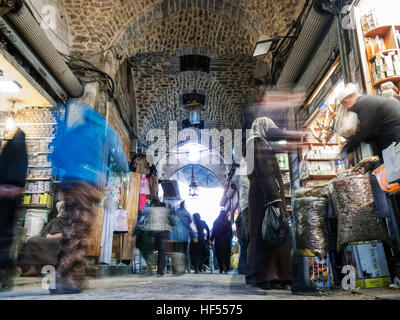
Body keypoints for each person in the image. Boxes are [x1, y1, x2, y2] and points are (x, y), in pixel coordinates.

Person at [51, 102, 129, 294]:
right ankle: (67, 279)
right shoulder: (104, 132)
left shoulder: (77, 130)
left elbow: (57, 156)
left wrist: (73, 163)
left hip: (69, 184)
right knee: (78, 231)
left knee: (70, 228)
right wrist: (113, 169)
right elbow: (120, 160)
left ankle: (62, 277)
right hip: (88, 186)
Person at [245, 117, 303, 290]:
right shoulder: (257, 143)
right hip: (265, 198)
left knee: (265, 235)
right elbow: (265, 172)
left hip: (260, 197)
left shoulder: (255, 143)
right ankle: (270, 276)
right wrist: (274, 198)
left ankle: (270, 276)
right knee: (272, 234)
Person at [338, 83, 400, 159]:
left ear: (354, 95)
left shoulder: (363, 103)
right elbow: (371, 130)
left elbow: (365, 130)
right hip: (393, 134)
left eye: (349, 98)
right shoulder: (364, 102)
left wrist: (347, 148)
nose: (347, 102)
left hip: (395, 135)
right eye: (344, 102)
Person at [0, 126, 27, 291]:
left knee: (4, 236)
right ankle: (6, 273)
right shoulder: (15, 149)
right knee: (5, 236)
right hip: (7, 198)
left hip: (7, 200)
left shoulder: (13, 148)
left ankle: (6, 272)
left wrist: (10, 187)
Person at [18, 201, 66, 276]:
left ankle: (48, 269)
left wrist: (58, 235)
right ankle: (32, 268)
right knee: (31, 240)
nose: (64, 210)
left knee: (61, 243)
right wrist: (47, 235)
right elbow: (44, 231)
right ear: (59, 209)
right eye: (62, 208)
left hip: (60, 239)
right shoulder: (54, 220)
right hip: (48, 238)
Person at [145, 199, 172, 276]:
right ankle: (160, 271)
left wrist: (152, 235)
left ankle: (159, 271)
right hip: (164, 234)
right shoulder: (166, 211)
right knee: (162, 252)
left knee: (160, 252)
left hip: (159, 234)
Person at [170, 201, 198, 274]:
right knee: (184, 252)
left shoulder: (175, 212)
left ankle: (175, 269)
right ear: (184, 206)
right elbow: (192, 226)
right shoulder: (187, 214)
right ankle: (182, 268)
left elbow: (171, 223)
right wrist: (195, 236)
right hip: (184, 237)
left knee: (175, 252)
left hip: (175, 237)